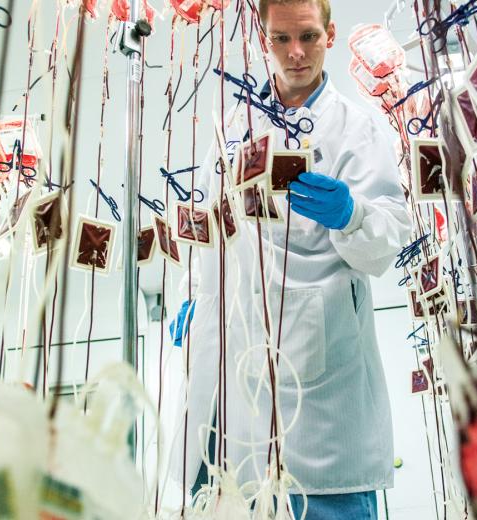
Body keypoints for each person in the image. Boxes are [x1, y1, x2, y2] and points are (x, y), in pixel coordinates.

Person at [170, 0, 412, 518]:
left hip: (323, 384)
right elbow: (214, 222)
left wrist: (351, 215)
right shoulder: (235, 127)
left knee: (319, 493)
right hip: (235, 366)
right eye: (281, 39)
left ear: (330, 33)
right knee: (230, 484)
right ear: (264, 41)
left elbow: (391, 231)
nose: (296, 52)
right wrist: (197, 293)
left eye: (308, 36)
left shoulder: (357, 128)